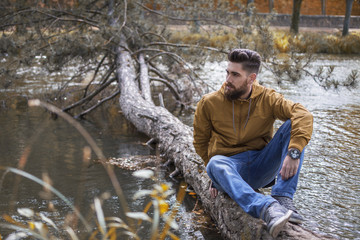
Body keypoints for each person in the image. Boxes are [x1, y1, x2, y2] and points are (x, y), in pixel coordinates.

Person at [193, 49, 313, 238]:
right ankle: (267, 208)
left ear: (251, 78)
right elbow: (200, 142)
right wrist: (216, 176)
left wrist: (294, 152)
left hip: (261, 166)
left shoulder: (267, 98)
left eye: (235, 74)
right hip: (229, 167)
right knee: (215, 163)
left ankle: (282, 197)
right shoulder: (208, 103)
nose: (227, 79)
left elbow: (303, 114)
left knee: (293, 124)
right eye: (227, 72)